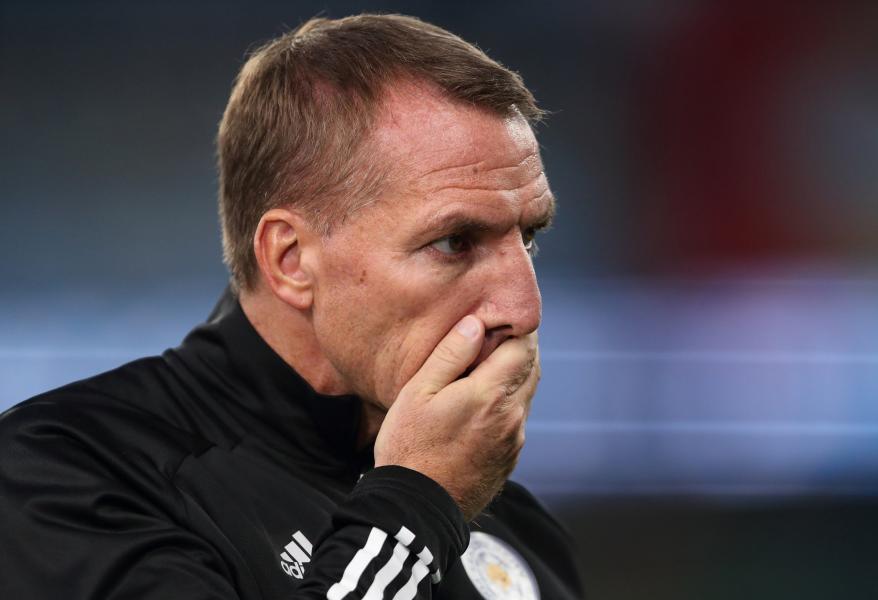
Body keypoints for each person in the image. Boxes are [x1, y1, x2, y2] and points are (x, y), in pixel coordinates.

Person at [0, 13, 583, 600]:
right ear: (291, 261)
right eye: (455, 242)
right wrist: (415, 503)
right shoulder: (66, 476)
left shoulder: (512, 528)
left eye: (528, 236)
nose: (524, 307)